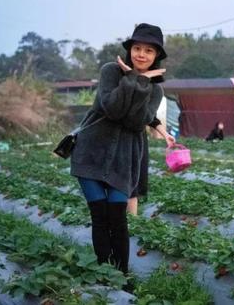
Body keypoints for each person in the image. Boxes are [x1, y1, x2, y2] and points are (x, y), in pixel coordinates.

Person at [70, 23, 166, 283]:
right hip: (91, 153)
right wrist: (131, 81)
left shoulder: (155, 89)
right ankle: (104, 275)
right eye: (137, 48)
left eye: (148, 50)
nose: (141, 54)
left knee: (118, 218)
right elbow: (111, 109)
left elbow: (136, 123)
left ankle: (121, 277)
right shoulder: (110, 72)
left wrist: (140, 82)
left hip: (124, 161)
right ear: (129, 50)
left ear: (157, 56)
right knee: (99, 216)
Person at [127, 118, 175, 216]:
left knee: (133, 183)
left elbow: (151, 116)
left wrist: (165, 135)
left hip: (137, 139)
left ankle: (131, 221)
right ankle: (123, 222)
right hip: (117, 139)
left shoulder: (143, 105)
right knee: (122, 183)